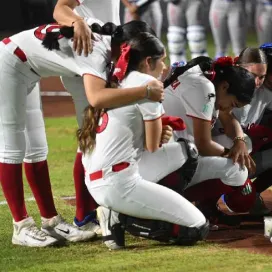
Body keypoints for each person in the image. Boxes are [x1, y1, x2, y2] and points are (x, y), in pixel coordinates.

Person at [0, 20, 163, 247]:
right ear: (127, 47)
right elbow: (97, 97)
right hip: (10, 63)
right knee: (13, 147)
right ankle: (21, 226)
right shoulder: (96, 51)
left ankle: (53, 220)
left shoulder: (103, 46)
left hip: (29, 67)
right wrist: (145, 91)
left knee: (42, 146)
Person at [78, 32, 209, 250]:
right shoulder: (149, 84)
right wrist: (161, 133)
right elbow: (152, 146)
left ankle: (120, 209)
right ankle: (121, 217)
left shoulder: (118, 78)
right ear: (149, 61)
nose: (165, 67)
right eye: (162, 60)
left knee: (184, 151)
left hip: (98, 178)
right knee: (197, 227)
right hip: (118, 182)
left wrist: (161, 131)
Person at [53, 0, 123, 233]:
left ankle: (90, 210)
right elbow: (60, 9)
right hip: (87, 56)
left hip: (98, 53)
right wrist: (79, 21)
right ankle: (85, 215)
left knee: (97, 132)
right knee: (92, 133)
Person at [162, 56, 257, 222]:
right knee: (238, 172)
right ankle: (180, 202)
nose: (228, 108)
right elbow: (203, 144)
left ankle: (203, 206)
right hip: (169, 164)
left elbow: (229, 119)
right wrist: (232, 153)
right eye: (233, 103)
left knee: (243, 146)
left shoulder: (211, 81)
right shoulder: (204, 87)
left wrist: (239, 142)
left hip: (178, 152)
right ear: (225, 86)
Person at [214, 44, 272, 214]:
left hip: (239, 157)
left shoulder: (265, 93)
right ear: (237, 67)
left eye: (262, 77)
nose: (257, 82)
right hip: (211, 156)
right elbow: (224, 122)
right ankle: (205, 202)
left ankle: (249, 190)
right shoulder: (220, 88)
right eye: (253, 75)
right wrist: (239, 140)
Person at [166, 0, 208, 65]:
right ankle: (177, 71)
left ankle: (201, 69)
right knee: (175, 39)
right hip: (175, 4)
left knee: (196, 38)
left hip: (194, 2)